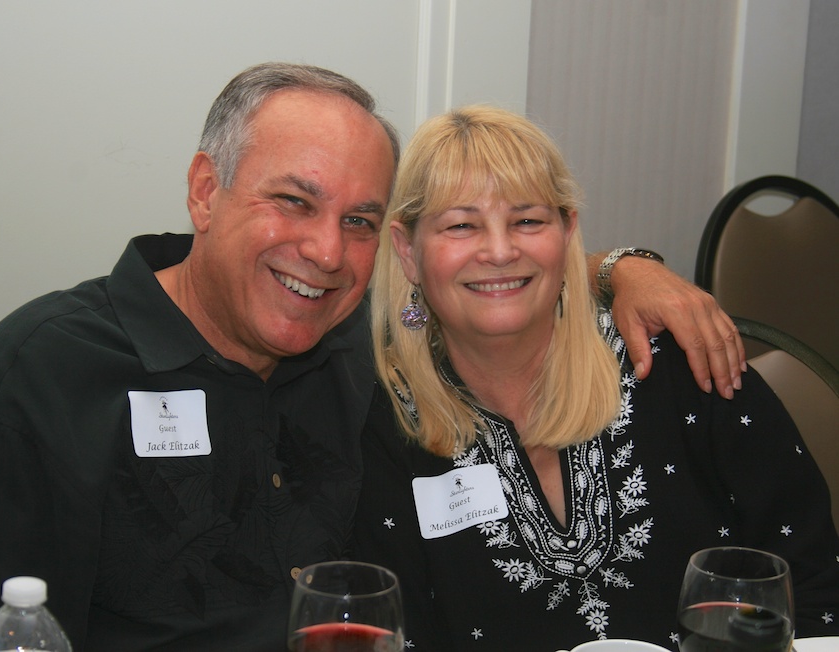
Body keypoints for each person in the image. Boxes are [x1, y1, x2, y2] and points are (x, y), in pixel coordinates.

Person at [0, 63, 743, 651]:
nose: (326, 252)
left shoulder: (361, 344)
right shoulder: (34, 386)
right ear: (204, 191)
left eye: (360, 221)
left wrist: (619, 269)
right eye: (294, 201)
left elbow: (489, 272)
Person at [353, 105, 839, 651]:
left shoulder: (674, 368)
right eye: (461, 226)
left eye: (528, 220)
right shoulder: (383, 425)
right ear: (407, 252)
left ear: (568, 233)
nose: (499, 250)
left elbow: (815, 592)